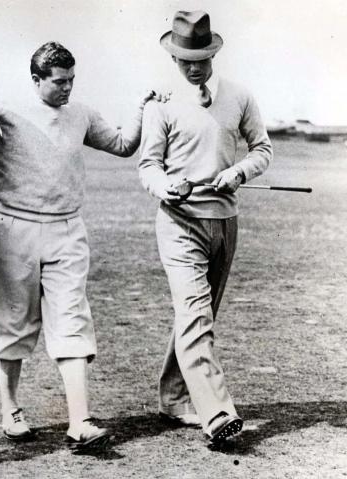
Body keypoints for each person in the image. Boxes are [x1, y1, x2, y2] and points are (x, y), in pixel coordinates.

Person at [0, 41, 161, 451]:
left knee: (71, 318)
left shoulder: (81, 114)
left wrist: (143, 107)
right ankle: (11, 409)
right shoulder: (5, 110)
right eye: (58, 82)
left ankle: (79, 420)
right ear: (36, 80)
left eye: (71, 80)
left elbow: (123, 145)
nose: (67, 88)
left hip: (67, 230)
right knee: (10, 319)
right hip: (15, 229)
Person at [138, 11, 272, 445]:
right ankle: (217, 414)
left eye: (200, 57)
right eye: (184, 59)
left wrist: (238, 173)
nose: (192, 66)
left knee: (197, 314)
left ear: (213, 52)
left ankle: (175, 398)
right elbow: (148, 165)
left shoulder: (239, 96)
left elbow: (262, 149)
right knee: (196, 315)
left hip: (225, 222)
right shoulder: (160, 103)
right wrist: (165, 186)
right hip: (179, 223)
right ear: (174, 57)